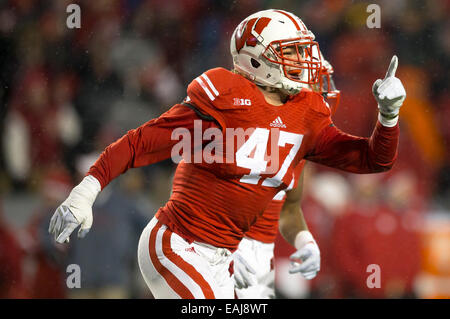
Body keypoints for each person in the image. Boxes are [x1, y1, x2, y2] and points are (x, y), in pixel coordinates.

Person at [49, 9, 406, 299]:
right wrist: (87, 190)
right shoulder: (225, 100)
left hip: (225, 258)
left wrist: (388, 117)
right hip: (176, 244)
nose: (306, 59)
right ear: (256, 60)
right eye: (293, 51)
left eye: (304, 49)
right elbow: (140, 142)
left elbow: (372, 159)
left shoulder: (305, 114)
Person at [233, 57, 341, 299]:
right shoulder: (238, 136)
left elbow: (289, 210)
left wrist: (305, 241)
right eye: (309, 89)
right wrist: (221, 250)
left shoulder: (293, 145)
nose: (319, 97)